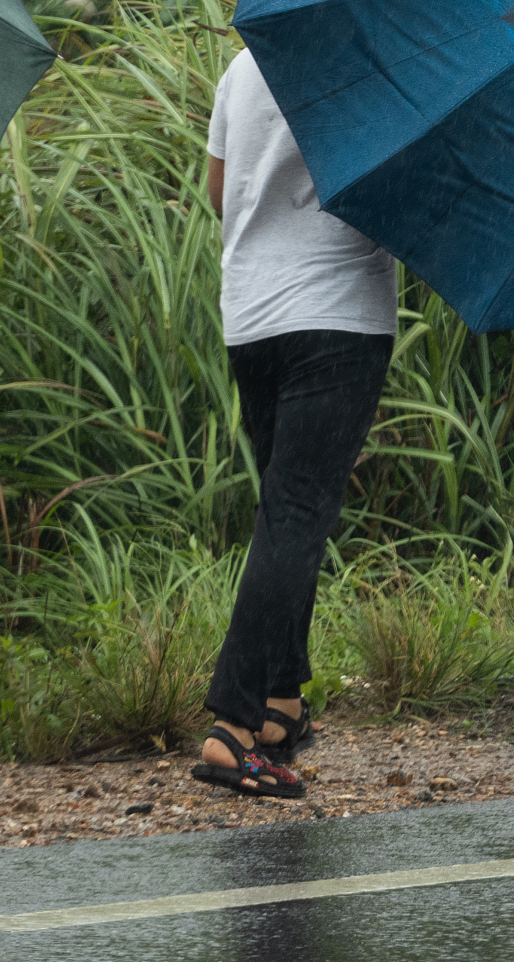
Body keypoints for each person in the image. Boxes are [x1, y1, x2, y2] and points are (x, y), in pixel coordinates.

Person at [192, 47, 399, 799]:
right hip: (337, 317)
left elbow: (219, 188)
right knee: (298, 513)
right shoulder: (372, 65)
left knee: (285, 507)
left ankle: (281, 700)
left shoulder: (244, 67)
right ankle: (233, 725)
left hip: (250, 318)